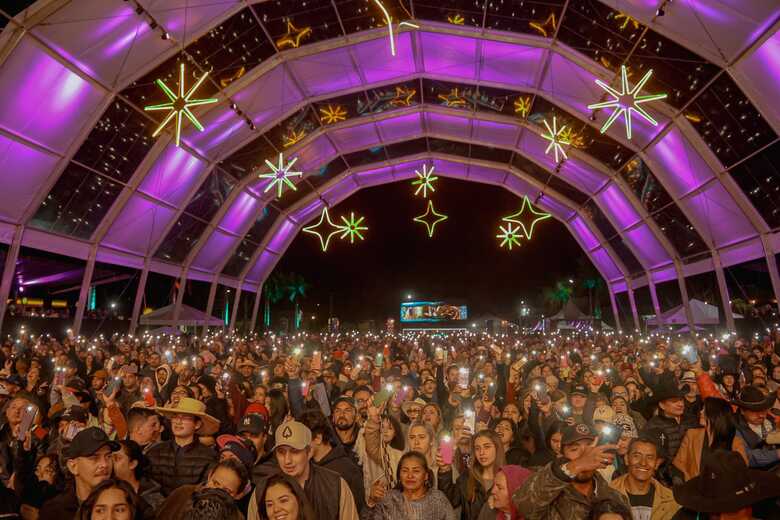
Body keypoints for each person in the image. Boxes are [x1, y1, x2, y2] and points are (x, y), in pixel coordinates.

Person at [513, 423, 630, 520]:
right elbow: (524, 506)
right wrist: (577, 464)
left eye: (590, 449)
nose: (584, 455)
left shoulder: (616, 498)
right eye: (574, 449)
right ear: (561, 455)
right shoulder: (548, 491)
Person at [247, 421, 359, 520]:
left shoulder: (334, 485)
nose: (287, 460)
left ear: (309, 452)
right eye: (281, 452)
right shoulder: (262, 490)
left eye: (295, 451)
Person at [672, 449, 780, 519]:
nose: (722, 518)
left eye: (732, 510)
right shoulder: (685, 517)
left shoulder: (770, 511)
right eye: (715, 513)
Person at [39, 427, 119, 520]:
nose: (104, 464)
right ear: (73, 467)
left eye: (108, 456)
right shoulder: (54, 512)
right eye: (94, 458)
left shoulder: (126, 503)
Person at [145, 397, 219, 496]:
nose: (178, 422)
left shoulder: (209, 457)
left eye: (185, 417)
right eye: (175, 416)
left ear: (197, 424)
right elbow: (147, 487)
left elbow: (205, 492)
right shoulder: (155, 451)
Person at [298, 409, 366, 513]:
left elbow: (356, 511)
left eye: (303, 440)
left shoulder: (347, 470)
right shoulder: (306, 468)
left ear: (318, 438)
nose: (299, 447)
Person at [364, 451, 456, 520]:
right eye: (405, 471)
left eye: (416, 471)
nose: (410, 476)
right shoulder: (389, 499)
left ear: (426, 476)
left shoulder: (437, 499)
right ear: (399, 475)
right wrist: (372, 501)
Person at [672, 397, 747, 482]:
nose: (700, 412)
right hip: (693, 489)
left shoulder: (735, 442)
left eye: (704, 410)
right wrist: (689, 482)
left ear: (714, 415)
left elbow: (742, 470)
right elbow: (678, 463)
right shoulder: (692, 434)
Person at [437, 429, 505, 520]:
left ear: (497, 448)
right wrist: (444, 470)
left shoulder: (507, 478)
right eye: (477, 448)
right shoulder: (467, 477)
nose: (481, 452)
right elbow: (449, 500)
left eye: (487, 447)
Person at [610, 436, 681, 520]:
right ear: (626, 459)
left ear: (657, 463)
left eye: (649, 457)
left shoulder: (671, 500)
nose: (643, 463)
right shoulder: (608, 494)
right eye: (637, 456)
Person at [156, 458, 249, 519]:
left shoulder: (237, 517)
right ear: (209, 476)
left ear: (238, 495)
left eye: (226, 491)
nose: (216, 491)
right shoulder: (183, 493)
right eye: (215, 483)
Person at [112, 440, 164, 517]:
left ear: (132, 464)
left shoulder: (152, 496)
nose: (110, 462)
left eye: (117, 458)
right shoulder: (103, 489)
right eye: (109, 457)